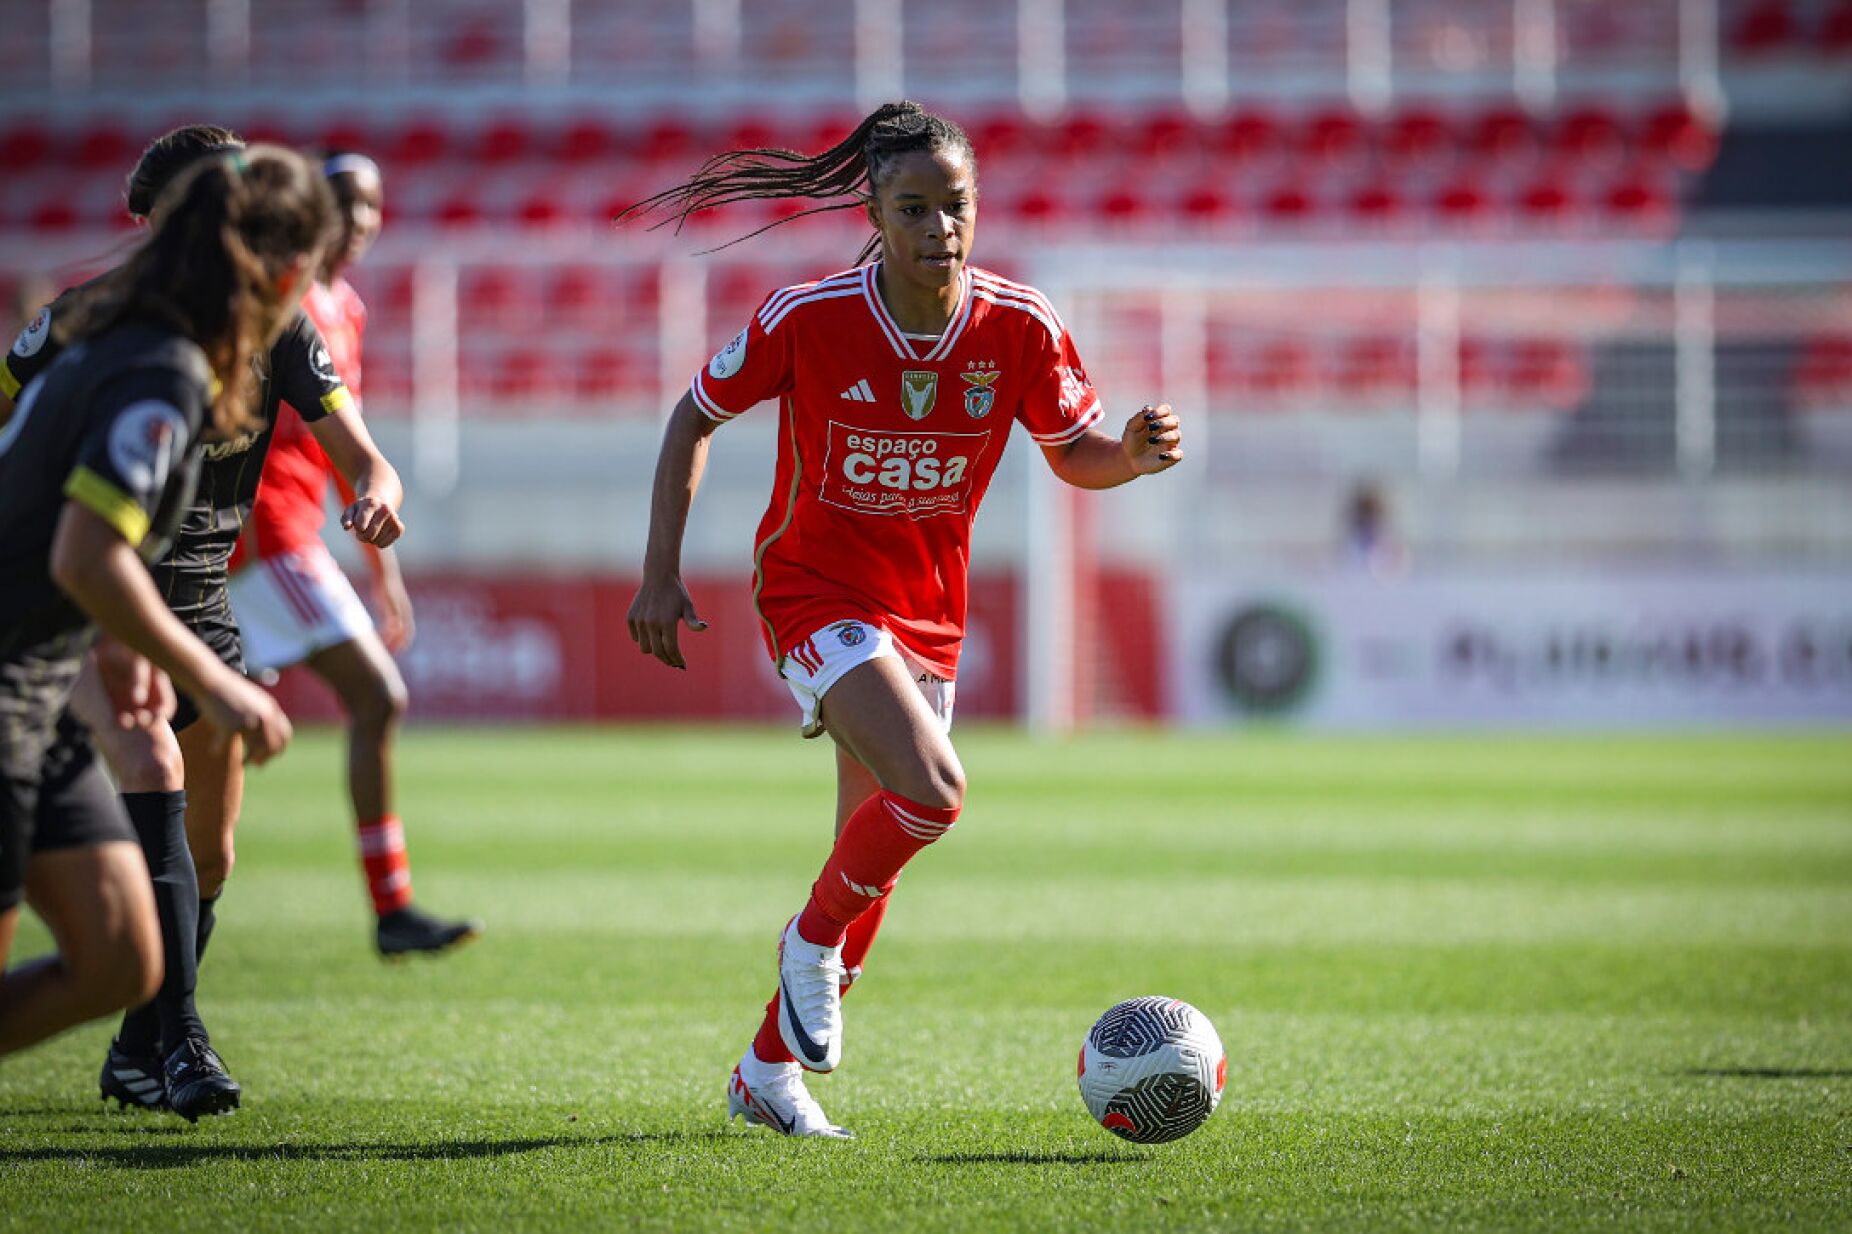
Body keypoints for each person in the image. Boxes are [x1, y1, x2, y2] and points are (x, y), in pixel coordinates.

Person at [623, 101, 1184, 1138]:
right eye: (914, 208)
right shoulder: (809, 316)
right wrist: (659, 573)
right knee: (932, 793)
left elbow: (1073, 450)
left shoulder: (1018, 322)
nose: (940, 229)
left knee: (870, 853)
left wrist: (1132, 457)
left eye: (955, 204)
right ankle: (806, 940)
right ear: (875, 215)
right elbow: (692, 414)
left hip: (927, 614)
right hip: (812, 589)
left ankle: (764, 1071)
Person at [1, 125, 407, 1121]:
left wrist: (378, 490)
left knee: (193, 870)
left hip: (188, 596)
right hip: (73, 614)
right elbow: (79, 537)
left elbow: (363, 455)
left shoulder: (265, 335)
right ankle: (180, 1039)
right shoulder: (108, 337)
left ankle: (147, 1039)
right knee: (151, 756)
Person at [228, 151, 478, 957]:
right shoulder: (279, 300)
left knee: (212, 730)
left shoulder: (348, 307)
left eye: (372, 206)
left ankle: (162, 896)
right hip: (265, 534)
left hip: (297, 536)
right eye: (345, 203)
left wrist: (384, 572)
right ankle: (391, 908)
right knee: (376, 697)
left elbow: (350, 450)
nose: (361, 220)